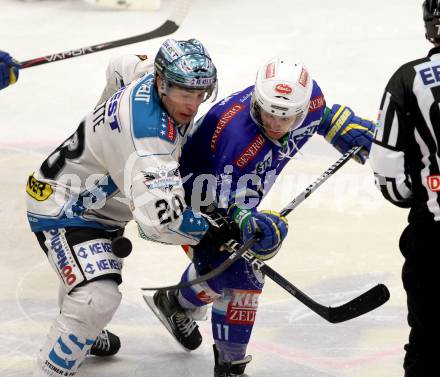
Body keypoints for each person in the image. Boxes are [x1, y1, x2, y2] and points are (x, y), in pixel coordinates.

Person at [102, 53, 375, 376]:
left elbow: (322, 114)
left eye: (285, 117)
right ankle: (230, 365)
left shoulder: (311, 99)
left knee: (225, 270)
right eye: (268, 113)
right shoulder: (236, 140)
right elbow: (231, 211)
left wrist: (338, 125)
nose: (274, 124)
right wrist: (252, 225)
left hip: (232, 185)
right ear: (256, 101)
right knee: (242, 276)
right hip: (194, 198)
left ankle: (175, 302)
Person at [26, 38, 254, 377]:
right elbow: (159, 224)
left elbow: (118, 65)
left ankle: (81, 331)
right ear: (162, 84)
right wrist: (210, 228)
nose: (192, 106)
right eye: (183, 94)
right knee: (96, 299)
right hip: (65, 206)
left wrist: (105, 128)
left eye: (200, 94)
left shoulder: (147, 73)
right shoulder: (150, 144)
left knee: (90, 286)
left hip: (100, 201)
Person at [369, 1, 440, 376]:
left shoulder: (408, 79)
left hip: (434, 240)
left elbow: (392, 182)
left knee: (428, 345)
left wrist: (425, 191)